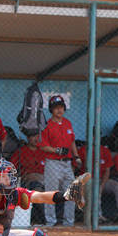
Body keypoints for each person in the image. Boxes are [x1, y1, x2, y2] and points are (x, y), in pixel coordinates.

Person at [38, 95, 81, 227]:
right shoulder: (47, 125)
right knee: (51, 193)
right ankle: (50, 222)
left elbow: (72, 140)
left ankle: (69, 223)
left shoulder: (67, 123)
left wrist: (76, 156)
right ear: (51, 110)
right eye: (56, 108)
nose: (59, 110)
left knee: (71, 192)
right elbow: (43, 145)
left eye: (61, 107)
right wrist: (56, 150)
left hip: (67, 163)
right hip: (53, 162)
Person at [75, 142, 118, 224]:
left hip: (102, 180)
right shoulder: (83, 150)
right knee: (95, 189)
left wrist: (102, 185)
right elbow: (77, 167)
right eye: (92, 136)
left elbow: (107, 171)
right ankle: (98, 216)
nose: (94, 138)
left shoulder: (104, 150)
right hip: (88, 180)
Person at [9, 132, 48, 224]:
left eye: (38, 136)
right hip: (28, 180)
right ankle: (42, 220)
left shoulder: (43, 151)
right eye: (33, 136)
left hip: (46, 179)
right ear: (27, 137)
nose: (36, 139)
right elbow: (11, 168)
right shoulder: (21, 151)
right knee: (37, 187)